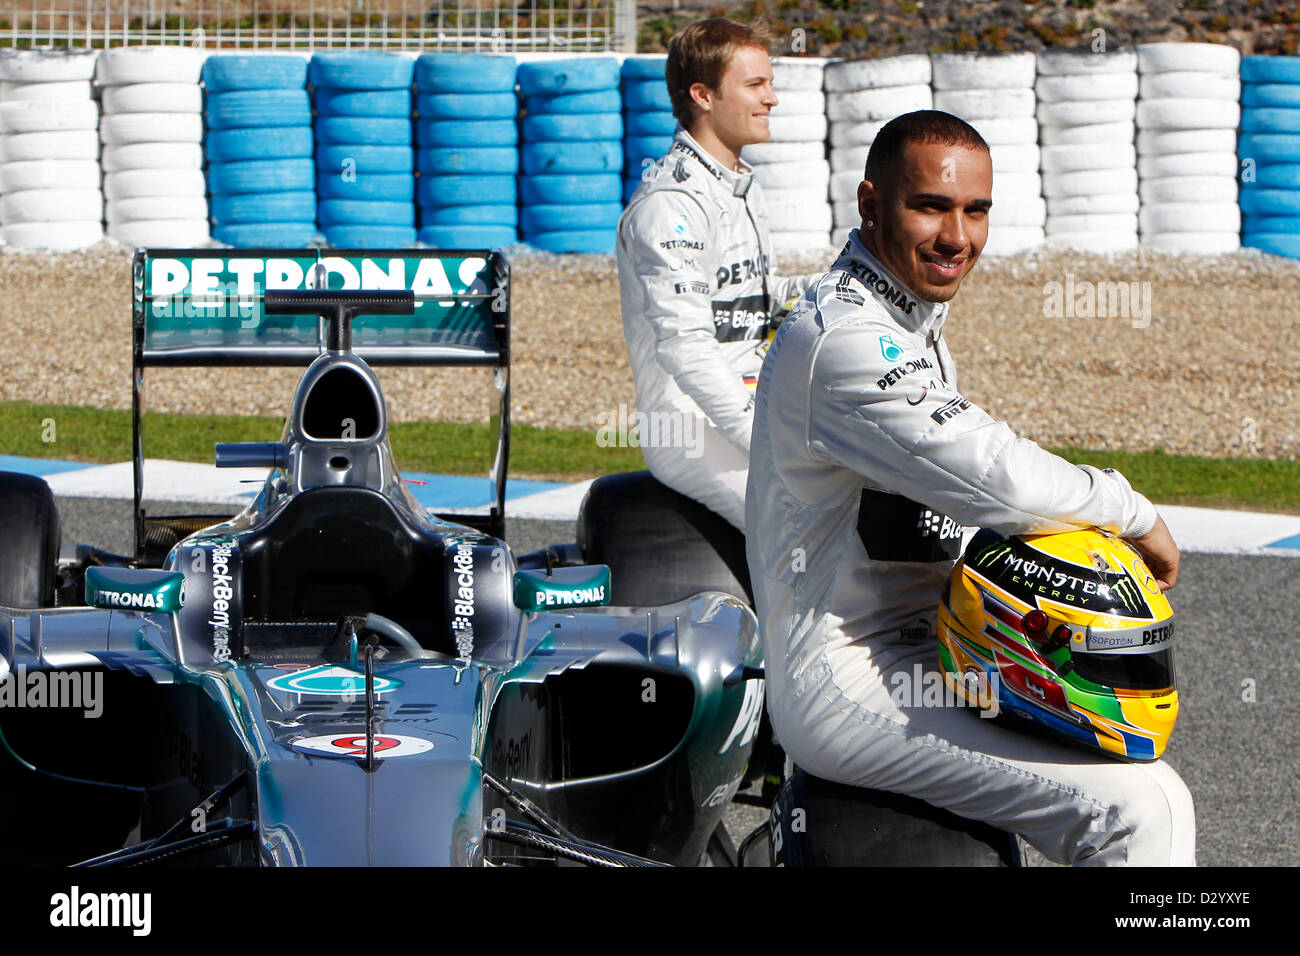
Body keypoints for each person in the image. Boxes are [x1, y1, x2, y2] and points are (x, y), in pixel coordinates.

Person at [744, 109, 1195, 865]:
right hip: (851, 681)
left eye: (975, 210)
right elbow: (997, 476)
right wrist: (1131, 510)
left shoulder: (903, 312)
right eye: (930, 207)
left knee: (1133, 748)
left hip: (944, 650)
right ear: (870, 204)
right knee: (1143, 811)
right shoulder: (849, 340)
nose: (957, 236)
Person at [616, 17, 818, 531]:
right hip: (686, 425)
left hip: (754, 397)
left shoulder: (739, 185)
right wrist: (765, 438)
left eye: (769, 83)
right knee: (808, 527)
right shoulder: (671, 205)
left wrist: (845, 290)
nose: (772, 98)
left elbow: (754, 299)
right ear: (703, 95)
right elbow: (686, 347)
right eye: (755, 85)